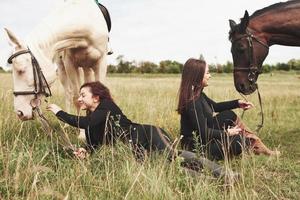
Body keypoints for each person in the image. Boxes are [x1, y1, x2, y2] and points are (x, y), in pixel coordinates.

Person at [47, 81, 238, 179]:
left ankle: (224, 175)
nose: (79, 99)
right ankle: (217, 180)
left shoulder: (106, 107)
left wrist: (59, 112)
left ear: (96, 98)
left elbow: (85, 124)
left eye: (83, 95)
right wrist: (86, 152)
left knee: (174, 158)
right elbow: (95, 144)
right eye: (79, 95)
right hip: (136, 149)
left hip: (148, 135)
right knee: (168, 169)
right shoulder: (92, 121)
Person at [177, 58, 278, 160]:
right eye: (207, 73)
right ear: (197, 75)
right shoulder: (192, 102)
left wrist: (237, 103)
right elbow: (204, 133)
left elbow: (215, 107)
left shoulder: (198, 95)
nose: (210, 76)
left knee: (228, 115)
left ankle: (257, 144)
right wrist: (227, 133)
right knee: (240, 140)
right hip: (196, 149)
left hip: (203, 139)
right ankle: (256, 146)